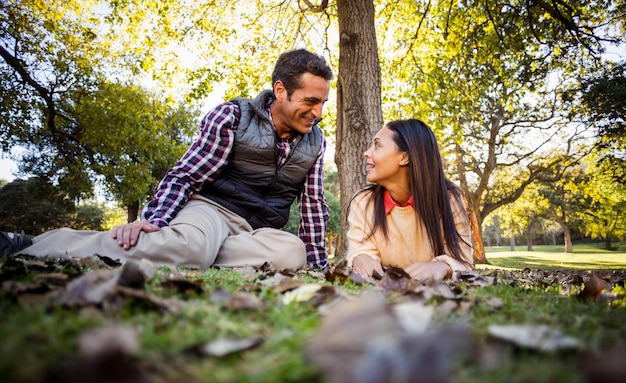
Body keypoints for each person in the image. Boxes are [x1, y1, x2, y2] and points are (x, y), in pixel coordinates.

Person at [18, 49, 333, 271]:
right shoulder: (234, 117)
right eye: (311, 101)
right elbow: (187, 175)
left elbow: (314, 205)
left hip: (254, 231)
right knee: (192, 244)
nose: (318, 113)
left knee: (292, 253)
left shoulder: (315, 142)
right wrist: (153, 222)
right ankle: (40, 245)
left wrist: (318, 265)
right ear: (281, 90)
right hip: (211, 212)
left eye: (322, 103)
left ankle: (190, 250)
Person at [346, 118, 473, 281]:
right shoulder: (363, 202)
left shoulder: (448, 199)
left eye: (377, 145)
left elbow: (463, 261)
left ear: (404, 157)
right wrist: (360, 257)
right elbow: (360, 249)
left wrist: (444, 266)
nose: (367, 153)